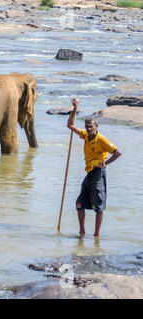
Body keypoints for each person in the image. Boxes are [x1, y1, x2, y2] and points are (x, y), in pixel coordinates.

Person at [67, 97, 122, 237]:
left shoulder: (102, 140)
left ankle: (96, 234)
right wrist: (75, 108)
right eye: (87, 127)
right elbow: (70, 125)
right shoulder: (85, 136)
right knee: (79, 203)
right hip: (89, 172)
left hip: (98, 172)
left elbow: (117, 153)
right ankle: (82, 232)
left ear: (96, 127)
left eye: (91, 126)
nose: (89, 129)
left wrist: (105, 163)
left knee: (98, 207)